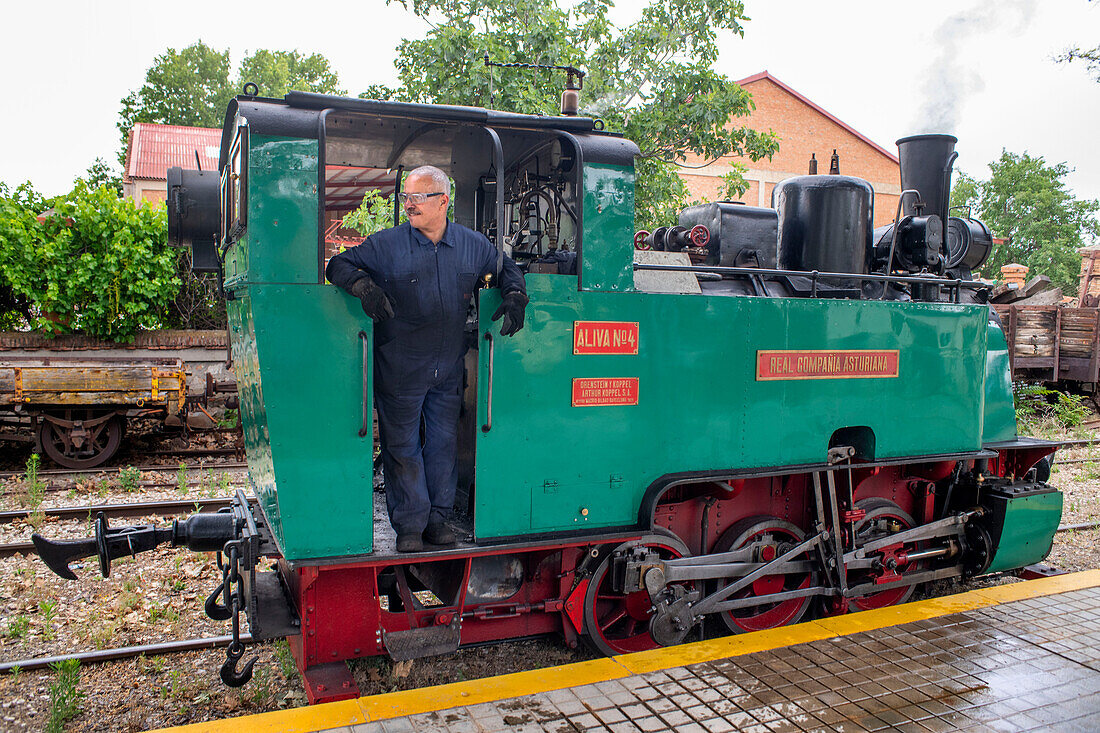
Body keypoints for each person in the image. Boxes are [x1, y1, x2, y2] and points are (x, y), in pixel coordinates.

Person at [326, 165, 528, 552]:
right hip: (399, 365)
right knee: (402, 448)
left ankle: (437, 521)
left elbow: (507, 269)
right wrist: (363, 286)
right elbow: (338, 264)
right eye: (406, 198)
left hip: (447, 367)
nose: (408, 206)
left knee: (441, 446)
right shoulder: (387, 244)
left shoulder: (471, 245)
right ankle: (410, 529)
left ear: (442, 202)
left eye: (417, 198)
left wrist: (515, 295)